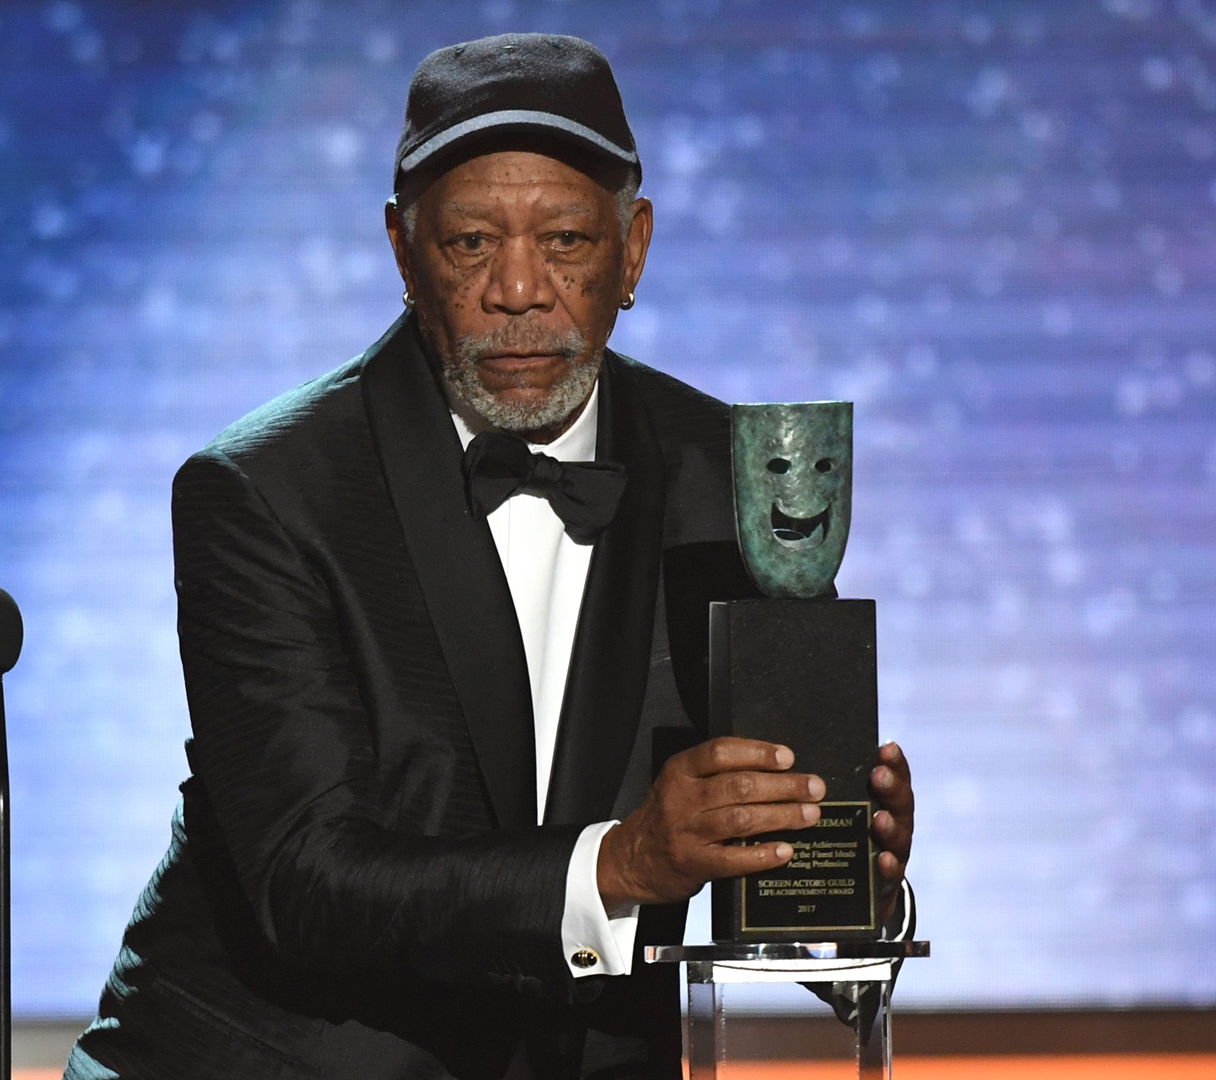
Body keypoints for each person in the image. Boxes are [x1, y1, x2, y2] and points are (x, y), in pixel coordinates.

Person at [66, 33, 915, 1080]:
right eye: (472, 244)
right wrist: (622, 860)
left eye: (564, 241)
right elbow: (307, 879)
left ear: (634, 249)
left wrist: (845, 869)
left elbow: (778, 909)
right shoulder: (267, 493)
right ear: (402, 253)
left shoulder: (737, 482)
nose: (519, 290)